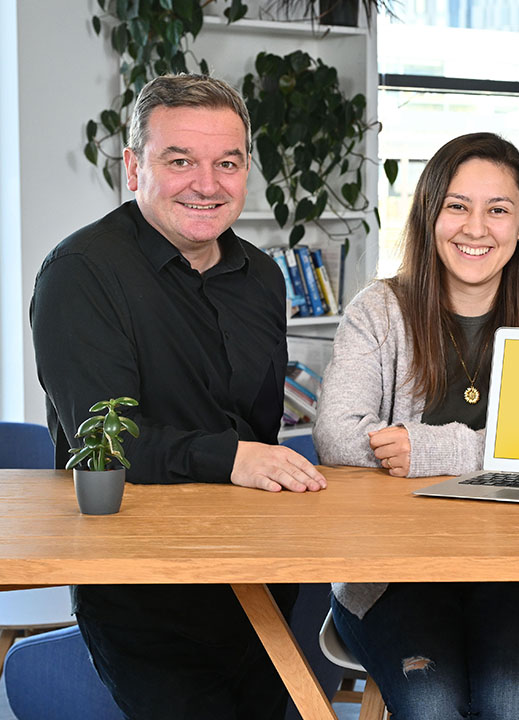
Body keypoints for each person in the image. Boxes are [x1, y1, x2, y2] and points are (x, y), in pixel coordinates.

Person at [30, 74, 327, 719]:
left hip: (261, 573)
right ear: (135, 166)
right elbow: (99, 445)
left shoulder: (261, 277)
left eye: (227, 163)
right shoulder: (81, 274)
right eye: (180, 161)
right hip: (143, 585)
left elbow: (261, 430)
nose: (207, 183)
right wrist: (231, 459)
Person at [313, 132, 519, 720]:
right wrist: (508, 450)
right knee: (432, 704)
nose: (475, 228)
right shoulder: (378, 308)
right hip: (394, 577)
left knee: (513, 704)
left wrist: (430, 446)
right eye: (457, 206)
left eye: (498, 210)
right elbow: (338, 435)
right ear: (429, 214)